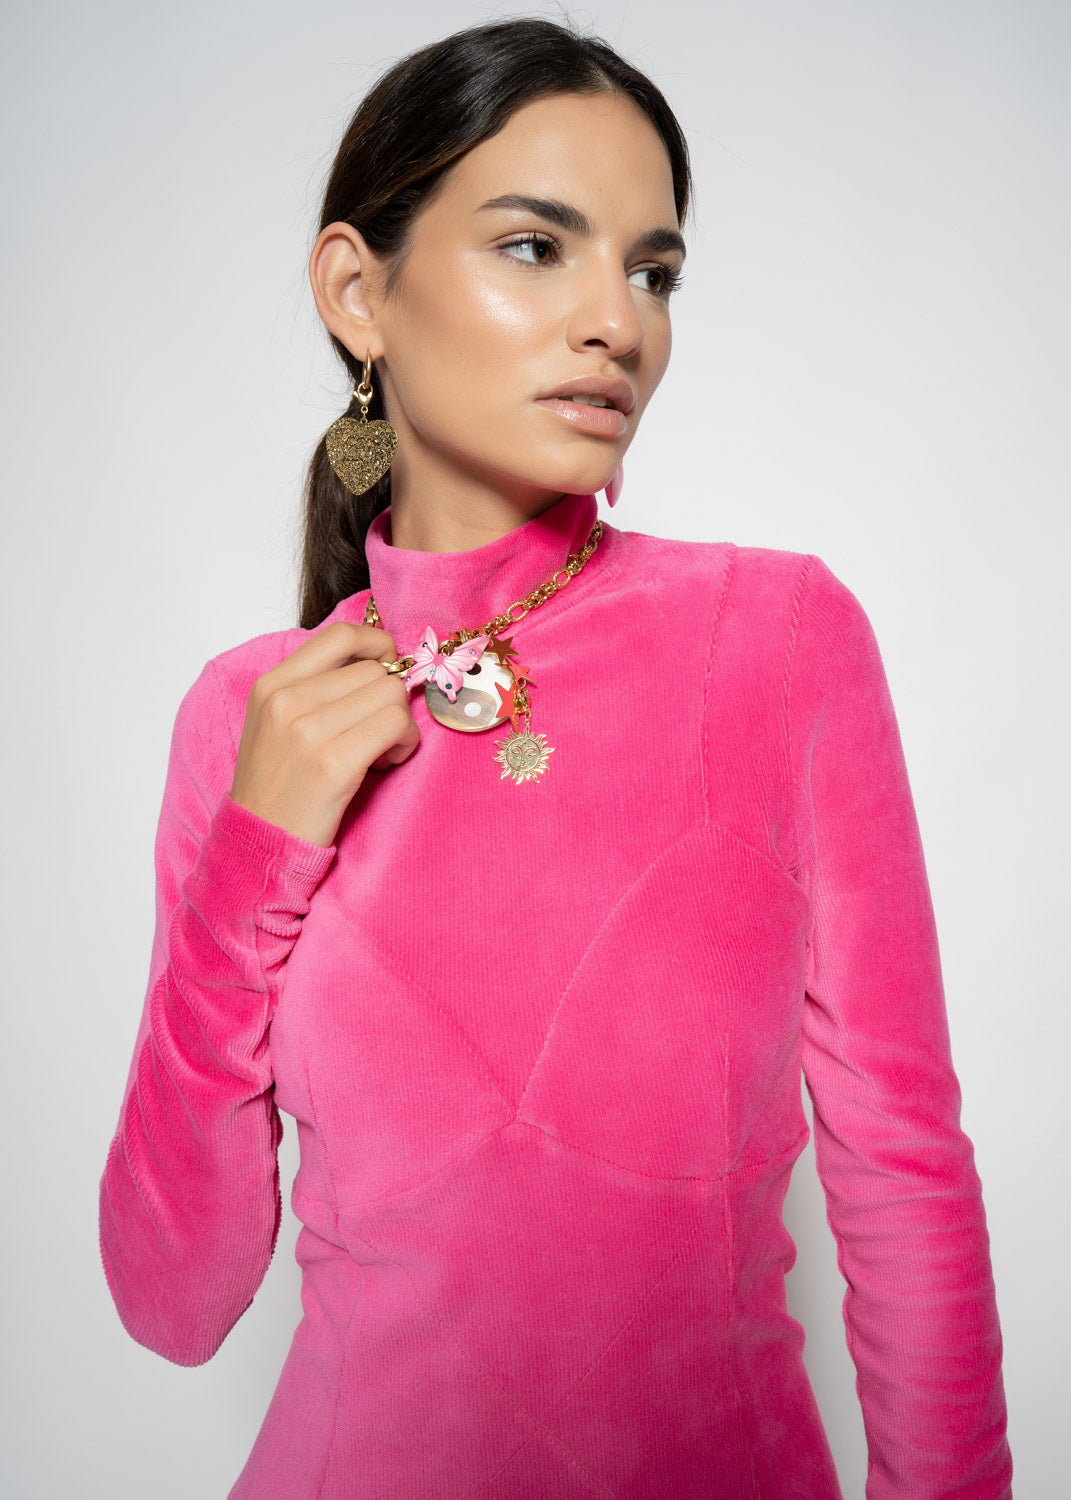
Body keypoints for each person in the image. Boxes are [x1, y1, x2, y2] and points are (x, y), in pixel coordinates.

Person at [98, 17, 1012, 1498]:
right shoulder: (247, 715)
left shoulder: (776, 637)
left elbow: (902, 1169)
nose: (617, 323)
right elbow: (172, 1302)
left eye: (653, 272)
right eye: (536, 247)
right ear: (358, 293)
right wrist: (254, 854)